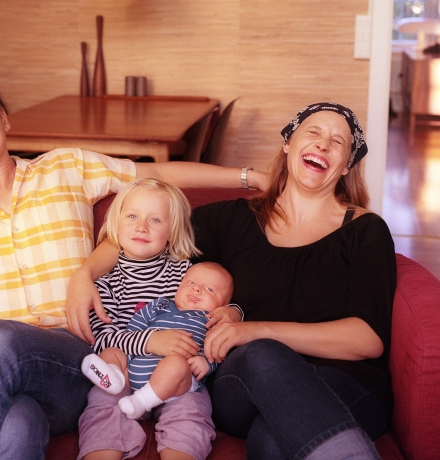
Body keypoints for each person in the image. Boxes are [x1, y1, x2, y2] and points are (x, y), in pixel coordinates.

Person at [0, 63, 267, 460]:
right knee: (18, 424)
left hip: (67, 364)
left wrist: (251, 178)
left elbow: (156, 172)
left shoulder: (65, 168)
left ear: (3, 119)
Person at [68, 102, 396, 459]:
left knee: (271, 442)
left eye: (338, 142)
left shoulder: (366, 230)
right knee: (262, 355)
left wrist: (254, 329)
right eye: (313, 133)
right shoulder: (232, 220)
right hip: (243, 382)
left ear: (347, 164)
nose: (323, 144)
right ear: (288, 142)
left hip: (345, 384)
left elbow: (367, 340)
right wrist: (86, 274)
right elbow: (142, 233)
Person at [76, 179, 240, 460]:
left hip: (178, 380)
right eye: (132, 216)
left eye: (155, 220)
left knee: (190, 412)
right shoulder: (106, 282)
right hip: (125, 377)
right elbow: (100, 337)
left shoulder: (185, 273)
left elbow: (217, 292)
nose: (142, 227)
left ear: (172, 231)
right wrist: (150, 341)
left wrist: (234, 312)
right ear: (115, 222)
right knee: (104, 396)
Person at [83, 262, 234, 420]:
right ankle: (113, 377)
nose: (196, 288)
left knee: (176, 363)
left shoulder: (212, 321)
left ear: (223, 306)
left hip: (175, 383)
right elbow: (132, 332)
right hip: (133, 374)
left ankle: (141, 401)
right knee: (112, 352)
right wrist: (127, 356)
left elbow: (218, 350)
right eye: (191, 282)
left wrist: (206, 363)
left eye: (209, 289)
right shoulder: (159, 305)